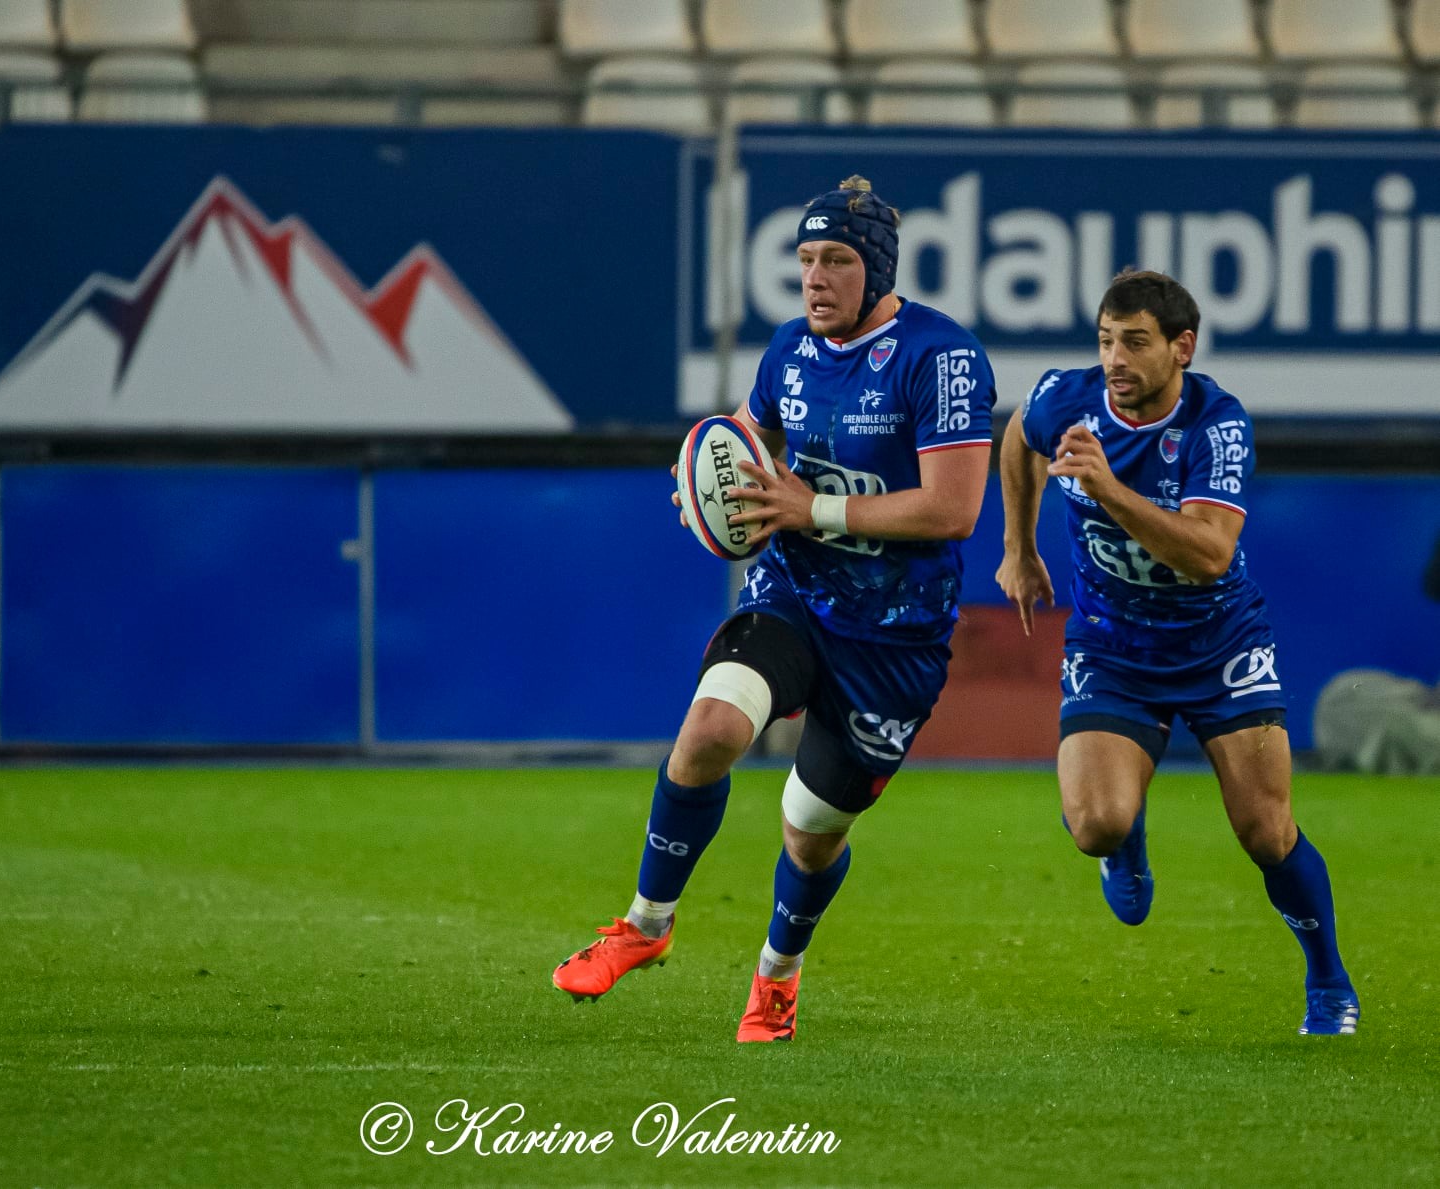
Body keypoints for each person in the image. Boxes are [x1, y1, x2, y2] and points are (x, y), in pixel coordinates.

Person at [551, 175, 997, 1041]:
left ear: (876, 269)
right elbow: (747, 447)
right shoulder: (789, 351)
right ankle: (646, 923)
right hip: (794, 594)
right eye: (804, 260)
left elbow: (955, 509)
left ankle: (777, 976)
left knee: (809, 832)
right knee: (711, 727)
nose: (816, 278)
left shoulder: (940, 356)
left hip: (895, 640)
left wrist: (811, 507)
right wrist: (707, 488)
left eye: (836, 260)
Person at [996, 269, 1358, 1036]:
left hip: (1218, 643)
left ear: (1181, 348)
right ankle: (1124, 839)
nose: (1115, 359)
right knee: (1095, 823)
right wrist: (1019, 547)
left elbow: (1209, 554)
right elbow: (1016, 434)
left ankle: (1328, 980)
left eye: (1135, 342)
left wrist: (1107, 488)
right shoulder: (1070, 398)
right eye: (1105, 341)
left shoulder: (1216, 425)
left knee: (1266, 831)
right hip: (1113, 645)